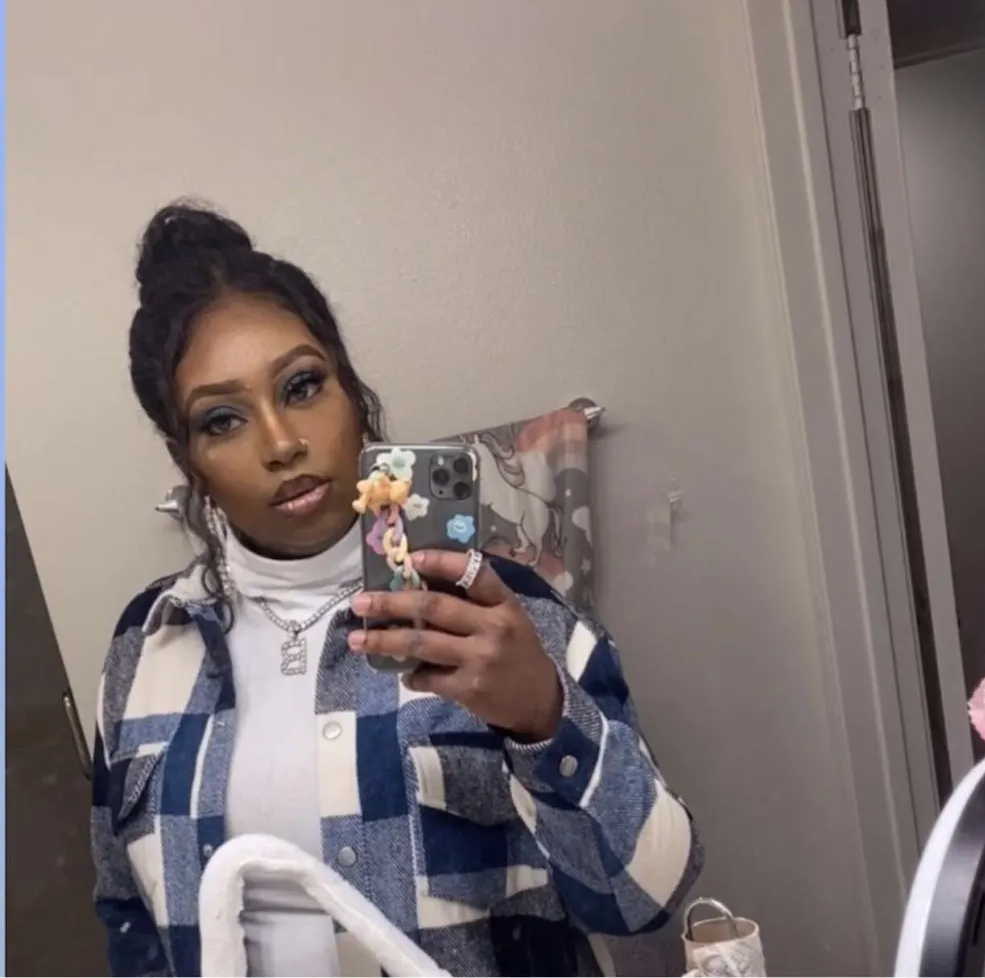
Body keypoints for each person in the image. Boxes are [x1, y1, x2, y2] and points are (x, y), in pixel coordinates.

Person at [90, 201, 702, 978]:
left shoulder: (504, 609)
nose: (281, 443)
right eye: (222, 420)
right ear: (187, 458)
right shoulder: (147, 642)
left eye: (302, 385)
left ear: (350, 389)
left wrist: (544, 718)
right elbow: (126, 912)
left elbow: (648, 898)